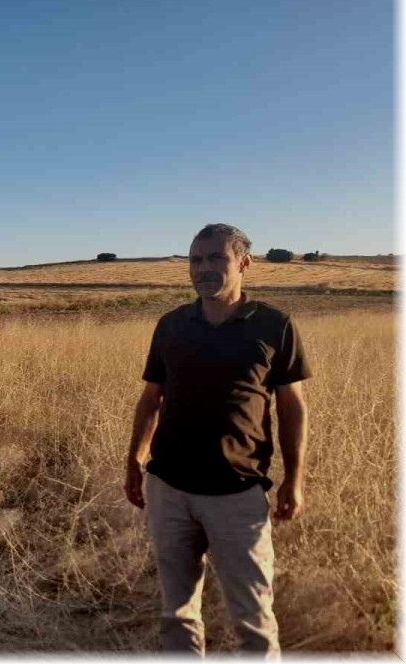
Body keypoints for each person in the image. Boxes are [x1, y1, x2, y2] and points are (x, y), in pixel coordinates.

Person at [123, 223, 311, 656]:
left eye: (216, 258)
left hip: (238, 495)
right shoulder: (171, 325)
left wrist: (294, 478)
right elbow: (151, 398)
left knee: (254, 620)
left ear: (244, 263)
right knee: (177, 613)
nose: (204, 268)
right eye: (196, 259)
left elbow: (292, 407)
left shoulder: (274, 325)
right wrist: (134, 461)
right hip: (169, 489)